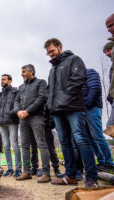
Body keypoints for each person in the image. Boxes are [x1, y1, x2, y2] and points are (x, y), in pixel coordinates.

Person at [44, 38, 98, 189]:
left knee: (81, 139)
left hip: (73, 108)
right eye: (48, 53)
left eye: (52, 51)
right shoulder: (52, 69)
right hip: (57, 110)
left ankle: (92, 178)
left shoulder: (74, 60)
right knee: (65, 143)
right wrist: (50, 105)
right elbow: (49, 90)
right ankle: (70, 176)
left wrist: (61, 99)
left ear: (60, 47)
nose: (51, 55)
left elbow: (78, 80)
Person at [14, 64, 51, 183]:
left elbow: (41, 98)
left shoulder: (41, 82)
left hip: (36, 117)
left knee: (41, 143)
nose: (22, 74)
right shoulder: (21, 87)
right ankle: (26, 172)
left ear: (31, 72)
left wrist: (27, 111)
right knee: (24, 145)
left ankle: (46, 173)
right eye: (22, 72)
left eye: (24, 72)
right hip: (22, 118)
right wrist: (18, 111)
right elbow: (16, 100)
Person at [82, 68, 114, 170]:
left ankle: (109, 163)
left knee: (97, 136)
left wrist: (87, 104)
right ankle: (101, 162)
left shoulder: (90, 72)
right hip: (84, 109)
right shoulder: (78, 78)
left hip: (93, 108)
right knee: (91, 138)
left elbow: (95, 88)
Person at [0, 74, 22, 177]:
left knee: (14, 145)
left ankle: (18, 169)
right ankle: (10, 169)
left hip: (12, 121)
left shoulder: (15, 91)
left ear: (10, 81)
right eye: (1, 79)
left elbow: (17, 105)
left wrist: (11, 113)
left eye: (4, 79)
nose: (2, 81)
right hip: (1, 123)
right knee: (6, 146)